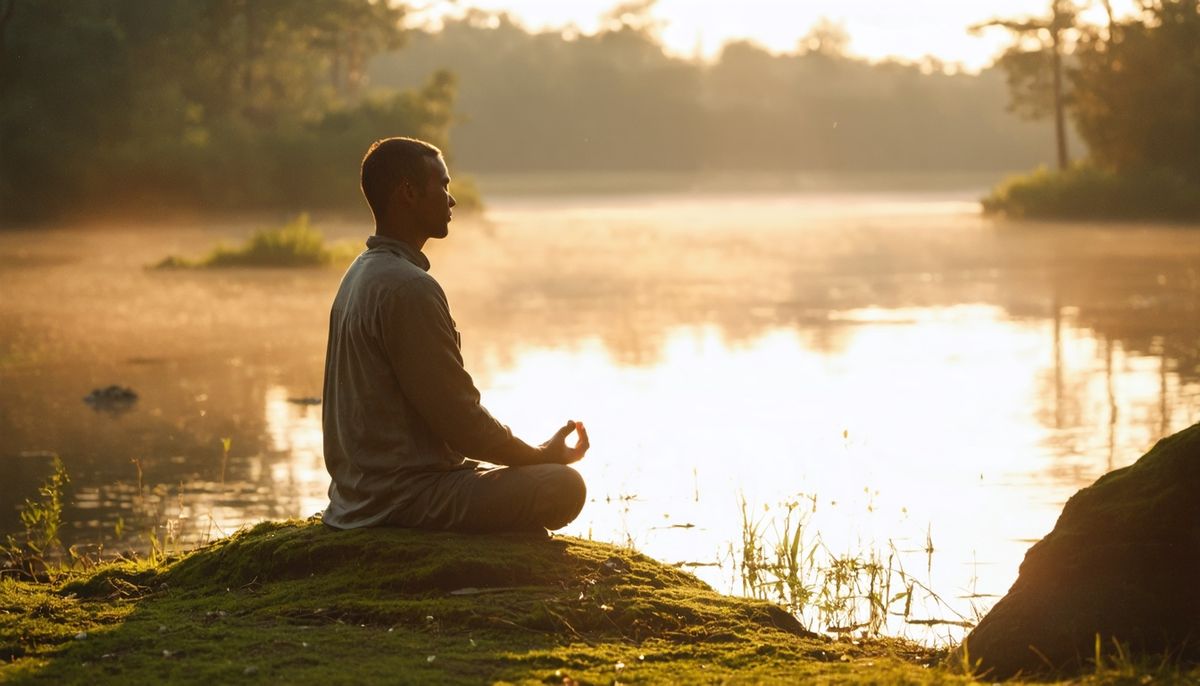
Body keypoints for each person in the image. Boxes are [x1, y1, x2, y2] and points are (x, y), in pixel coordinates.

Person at [321, 137, 589, 534]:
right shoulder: (408, 287)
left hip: (359, 496)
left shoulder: (360, 273)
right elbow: (461, 423)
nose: (452, 200)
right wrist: (536, 456)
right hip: (403, 499)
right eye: (443, 185)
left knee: (525, 478)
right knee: (564, 485)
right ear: (409, 193)